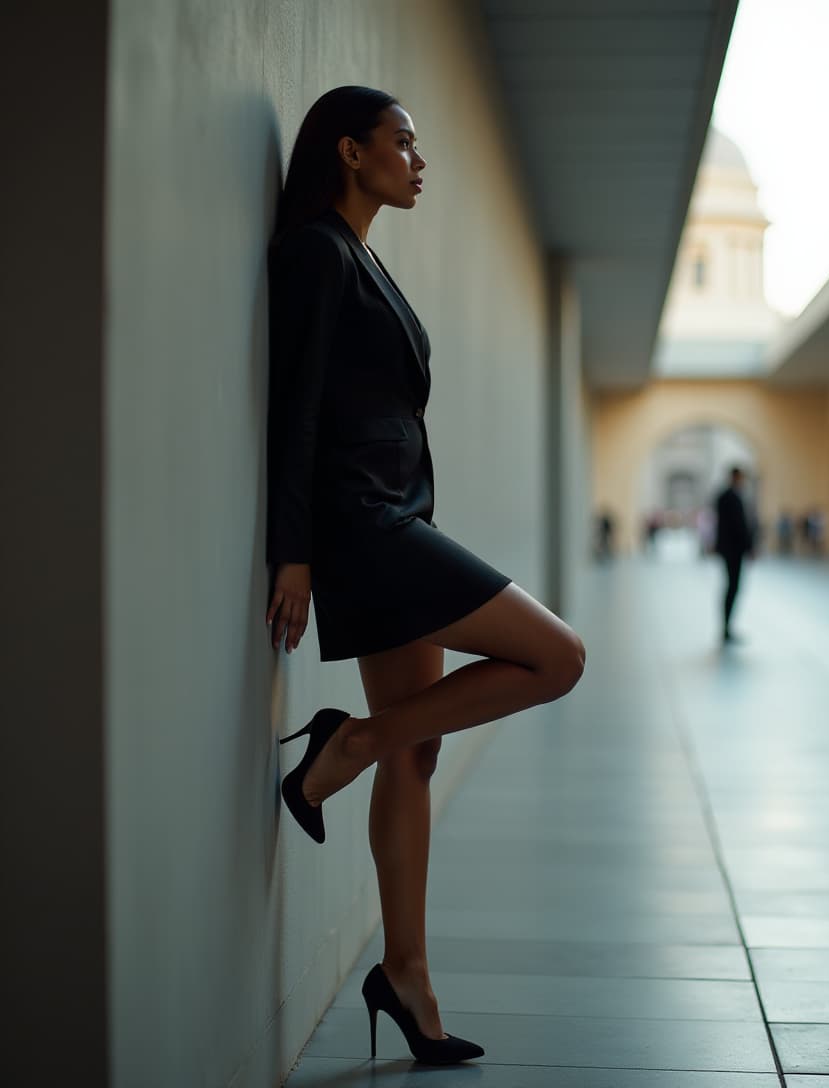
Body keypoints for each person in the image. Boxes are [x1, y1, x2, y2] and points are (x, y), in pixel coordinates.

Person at [265, 87, 585, 1066]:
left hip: (398, 517)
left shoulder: (361, 255)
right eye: (402, 143)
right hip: (365, 525)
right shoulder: (318, 251)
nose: (418, 159)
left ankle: (405, 972)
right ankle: (344, 741)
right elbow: (297, 402)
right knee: (556, 655)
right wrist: (296, 548)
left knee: (417, 752)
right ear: (350, 152)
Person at [713, 467, 753, 643]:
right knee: (733, 587)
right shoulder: (732, 497)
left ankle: (727, 627)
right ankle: (726, 628)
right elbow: (738, 525)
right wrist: (749, 546)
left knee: (731, 586)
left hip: (728, 548)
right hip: (734, 549)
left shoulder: (724, 496)